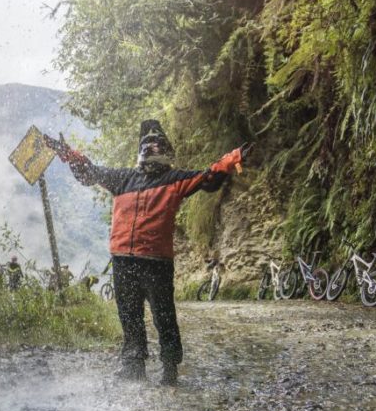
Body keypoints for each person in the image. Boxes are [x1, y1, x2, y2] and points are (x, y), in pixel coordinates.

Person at [45, 120, 252, 385]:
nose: (152, 150)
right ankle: (134, 366)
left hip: (156, 262)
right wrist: (67, 154)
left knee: (163, 315)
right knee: (129, 315)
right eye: (149, 146)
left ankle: (169, 366)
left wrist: (231, 159)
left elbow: (208, 177)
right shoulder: (123, 179)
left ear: (164, 152)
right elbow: (90, 173)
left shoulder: (175, 179)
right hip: (123, 260)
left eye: (156, 146)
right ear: (143, 151)